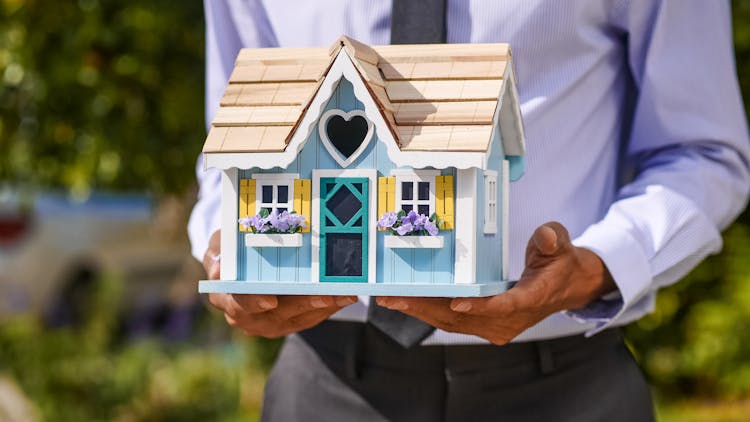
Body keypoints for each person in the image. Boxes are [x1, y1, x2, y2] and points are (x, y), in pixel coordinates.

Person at [189, 1, 750, 420]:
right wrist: (229, 250)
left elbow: (703, 152)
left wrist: (600, 265)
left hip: (565, 389)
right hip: (325, 384)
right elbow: (237, 141)